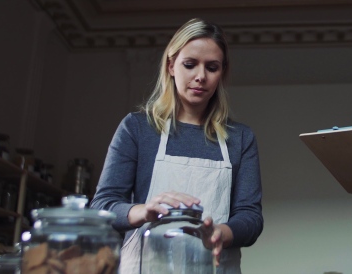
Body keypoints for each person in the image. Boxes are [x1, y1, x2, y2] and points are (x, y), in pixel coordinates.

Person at [90, 18, 264, 273]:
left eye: (212, 67)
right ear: (171, 66)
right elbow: (102, 206)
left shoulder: (240, 138)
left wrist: (220, 233)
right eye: (190, 64)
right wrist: (142, 211)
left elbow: (251, 218)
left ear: (222, 73)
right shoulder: (137, 128)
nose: (200, 77)